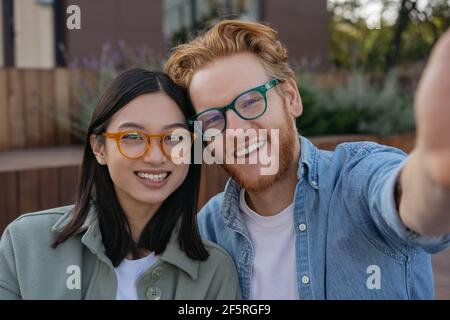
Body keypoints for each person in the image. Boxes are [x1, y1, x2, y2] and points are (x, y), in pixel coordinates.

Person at [165, 20, 450, 299]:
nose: (236, 132)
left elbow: (409, 201)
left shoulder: (356, 180)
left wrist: (433, 173)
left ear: (291, 98)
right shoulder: (207, 230)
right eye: (212, 119)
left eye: (251, 102)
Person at [0, 69, 240, 300]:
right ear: (99, 148)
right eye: (133, 137)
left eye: (174, 137)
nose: (155, 157)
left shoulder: (215, 272)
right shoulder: (25, 245)